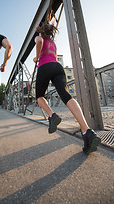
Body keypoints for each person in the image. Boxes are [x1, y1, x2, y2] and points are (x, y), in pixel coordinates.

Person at [33, 22, 101, 154]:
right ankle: (87, 131)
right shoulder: (53, 42)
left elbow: (39, 41)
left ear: (40, 31)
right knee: (66, 95)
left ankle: (52, 115)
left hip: (44, 67)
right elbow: (51, 52)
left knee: (39, 96)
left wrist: (36, 57)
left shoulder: (39, 36)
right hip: (57, 67)